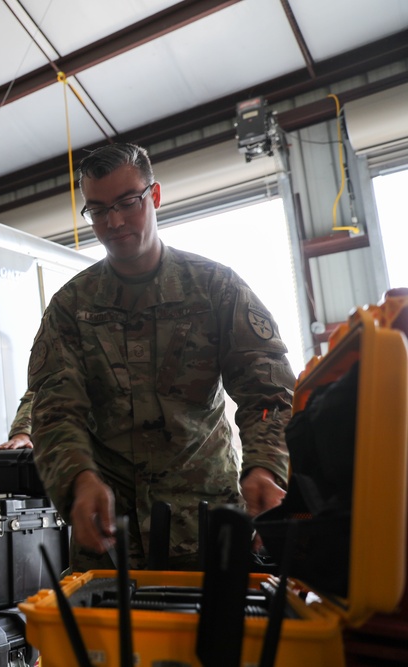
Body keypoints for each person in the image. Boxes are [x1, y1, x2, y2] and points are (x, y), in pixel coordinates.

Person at [27, 143, 294, 572]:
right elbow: (56, 412)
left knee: (213, 641)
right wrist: (79, 479)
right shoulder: (70, 307)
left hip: (206, 525)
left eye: (127, 203)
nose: (113, 222)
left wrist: (264, 468)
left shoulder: (216, 289)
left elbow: (269, 393)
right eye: (97, 210)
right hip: (110, 534)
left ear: (153, 196)